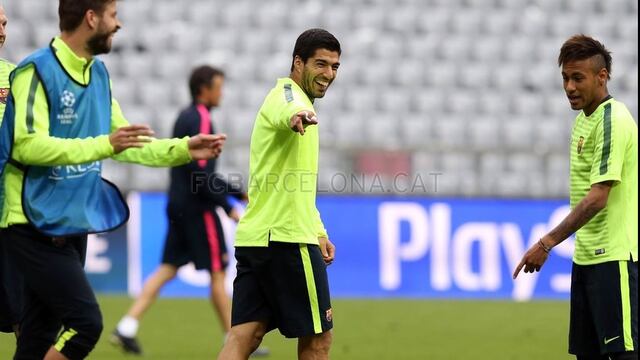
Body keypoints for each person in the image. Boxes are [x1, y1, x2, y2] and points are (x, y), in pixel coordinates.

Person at [0, 0, 226, 359]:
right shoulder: (35, 71)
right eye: (113, 15)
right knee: (85, 322)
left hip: (72, 220)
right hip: (31, 220)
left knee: (37, 336)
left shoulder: (99, 75)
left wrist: (184, 148)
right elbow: (26, 146)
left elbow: (127, 143)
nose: (118, 24)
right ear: (91, 18)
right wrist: (103, 144)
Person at [111, 65, 268, 357]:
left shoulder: (185, 116)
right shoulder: (202, 118)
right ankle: (235, 340)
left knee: (167, 269)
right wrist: (228, 206)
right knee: (218, 273)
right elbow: (203, 174)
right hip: (199, 209)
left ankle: (126, 326)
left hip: (178, 205)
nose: (222, 92)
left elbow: (197, 171)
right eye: (218, 86)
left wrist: (236, 191)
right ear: (204, 89)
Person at [217, 28, 340, 360]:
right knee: (318, 339)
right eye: (321, 64)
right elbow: (286, 109)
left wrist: (319, 231)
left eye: (334, 67)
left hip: (257, 237)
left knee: (245, 335)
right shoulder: (288, 97)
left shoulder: (299, 103)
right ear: (298, 63)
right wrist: (295, 116)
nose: (328, 74)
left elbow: (297, 186)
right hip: (286, 242)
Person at [514, 34, 637, 360]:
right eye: (565, 78)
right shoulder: (584, 121)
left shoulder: (614, 118)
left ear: (602, 76)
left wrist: (546, 243)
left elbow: (598, 197)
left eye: (577, 78)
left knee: (623, 354)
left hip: (614, 257)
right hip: (586, 258)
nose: (569, 87)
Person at [0, 3, 21, 338]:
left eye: (4, 23)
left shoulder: (17, 76)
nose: (2, 30)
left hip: (10, 211)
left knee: (25, 313)